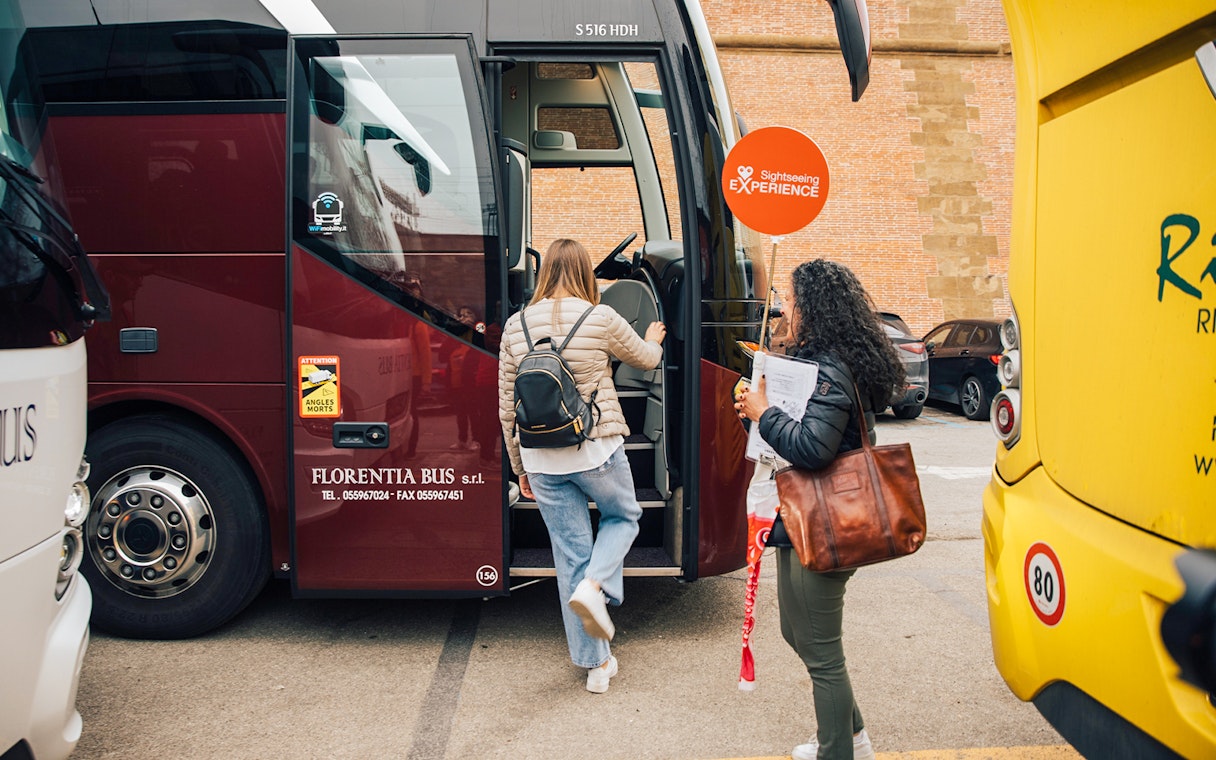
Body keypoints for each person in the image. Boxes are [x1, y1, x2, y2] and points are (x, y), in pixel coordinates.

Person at [735, 259, 905, 760]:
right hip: (802, 516)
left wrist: (763, 414)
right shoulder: (820, 361)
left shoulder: (831, 367)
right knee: (798, 633)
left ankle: (841, 750)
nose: (786, 307)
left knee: (821, 651)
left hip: (829, 520)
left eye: (792, 299)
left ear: (814, 308)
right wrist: (756, 403)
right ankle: (852, 736)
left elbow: (813, 448)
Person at [497, 238, 666, 694]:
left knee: (570, 553)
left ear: (544, 272)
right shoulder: (601, 317)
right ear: (585, 274)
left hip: (540, 456)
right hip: (595, 448)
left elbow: (506, 409)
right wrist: (653, 339)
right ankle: (596, 585)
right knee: (624, 515)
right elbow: (646, 361)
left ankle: (596, 667)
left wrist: (520, 470)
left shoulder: (515, 326)